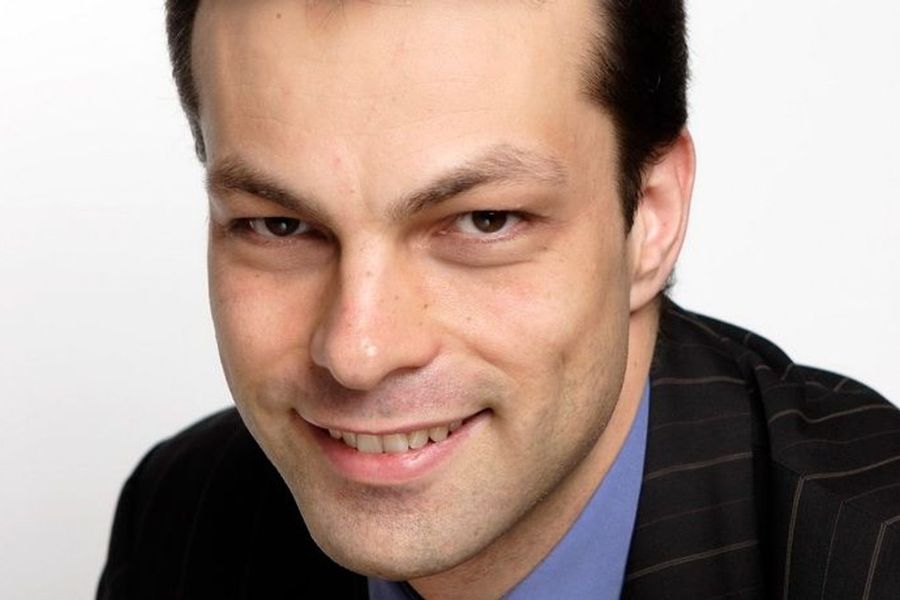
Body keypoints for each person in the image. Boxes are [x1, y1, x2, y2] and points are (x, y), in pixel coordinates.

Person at [97, 1, 900, 598]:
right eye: (279, 224)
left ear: (650, 219)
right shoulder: (181, 518)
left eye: (485, 220)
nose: (358, 351)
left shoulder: (872, 554)